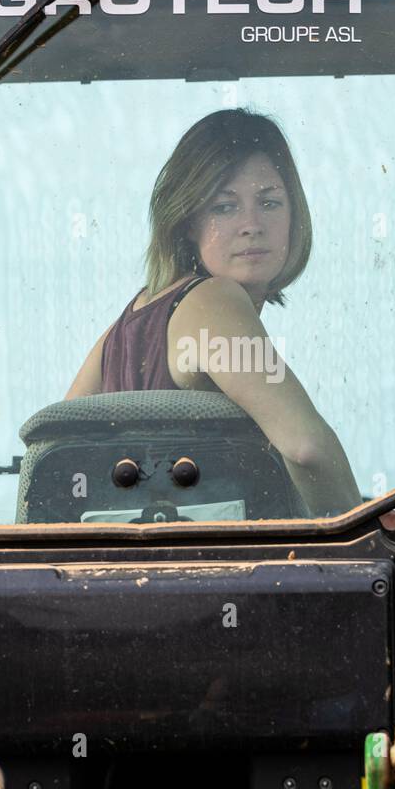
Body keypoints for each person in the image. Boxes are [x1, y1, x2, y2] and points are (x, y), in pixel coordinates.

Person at [66, 109, 361, 517]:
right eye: (224, 208)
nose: (251, 225)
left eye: (270, 202)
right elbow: (306, 447)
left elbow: (58, 455)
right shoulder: (214, 301)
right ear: (188, 221)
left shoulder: (122, 328)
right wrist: (362, 535)